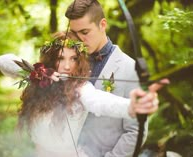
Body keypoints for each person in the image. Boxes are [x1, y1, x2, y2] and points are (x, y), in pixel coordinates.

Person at [0, 32, 167, 157]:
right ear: (51, 59)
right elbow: (3, 61)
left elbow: (100, 102)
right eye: (61, 58)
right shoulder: (40, 79)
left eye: (73, 59)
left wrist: (131, 106)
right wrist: (36, 73)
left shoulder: (81, 87)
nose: (67, 66)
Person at [65, 0, 161, 156]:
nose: (79, 40)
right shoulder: (69, 62)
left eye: (85, 32)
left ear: (103, 25)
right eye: (75, 33)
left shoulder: (129, 67)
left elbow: (136, 130)